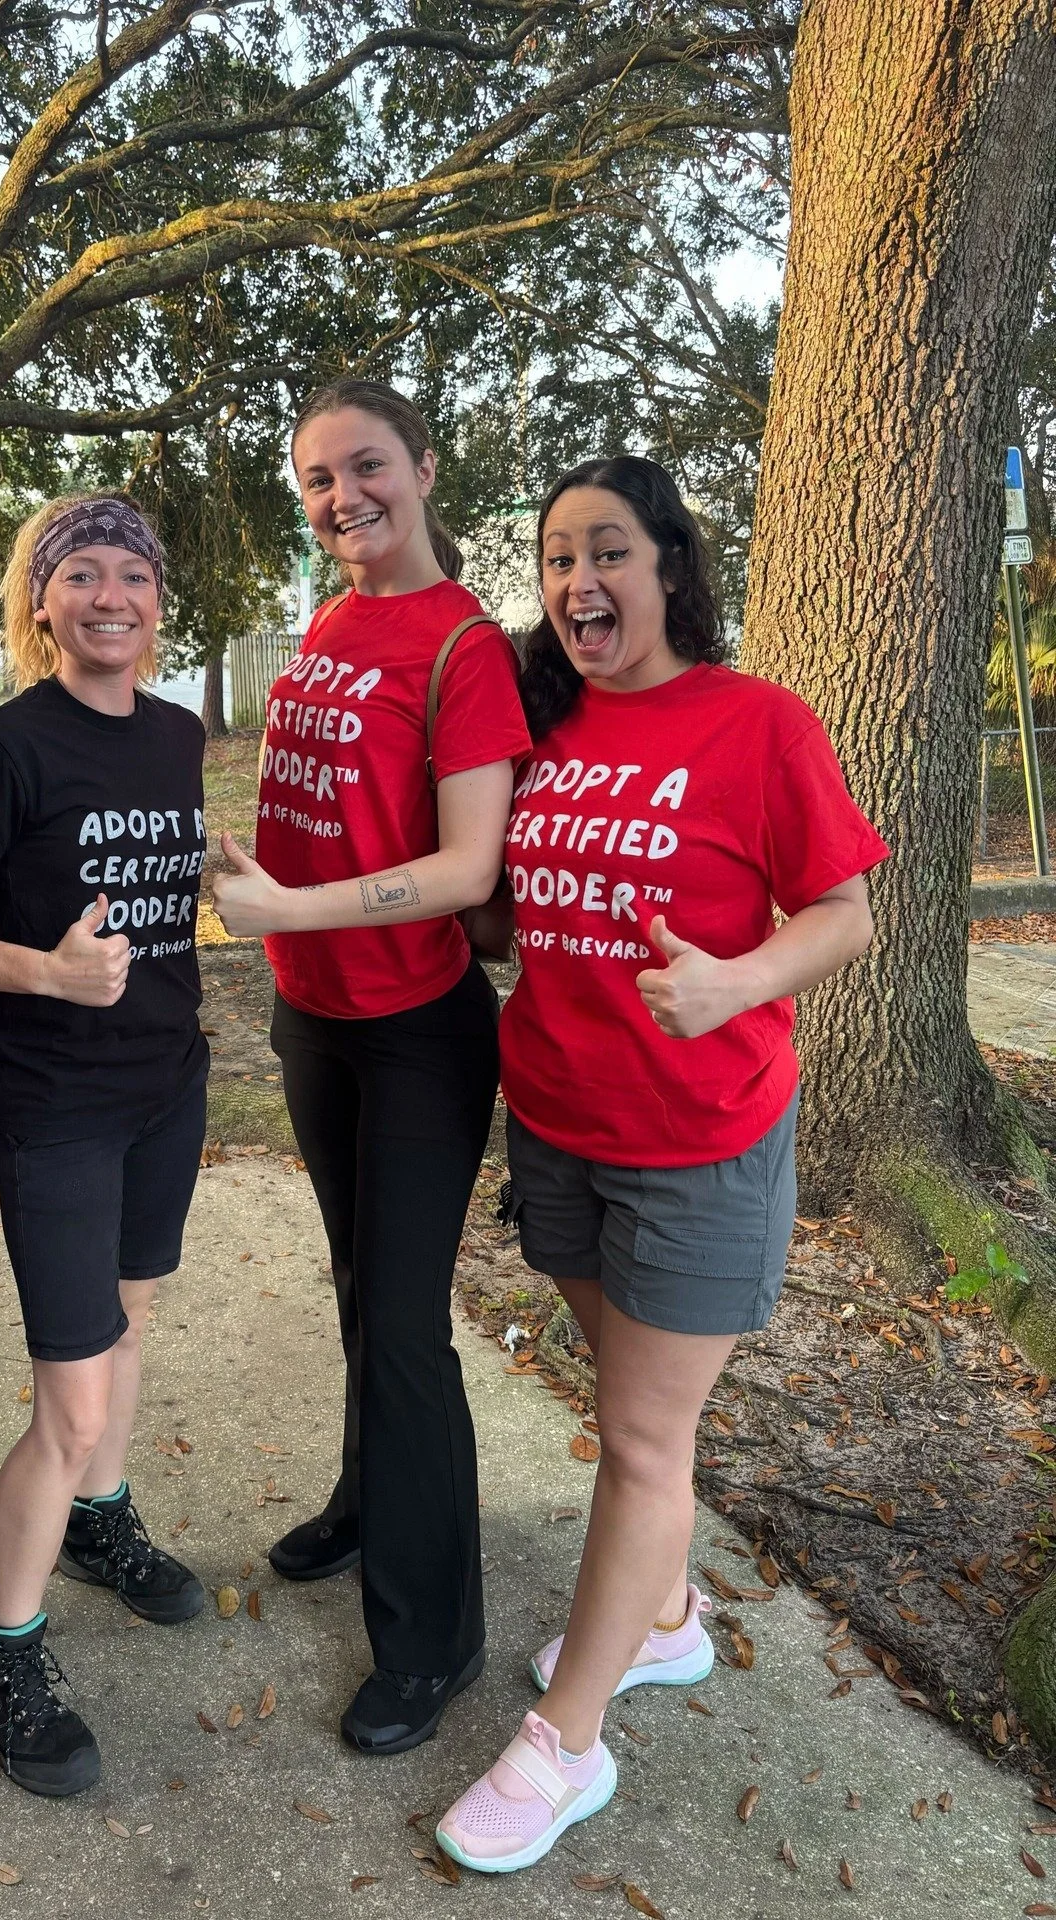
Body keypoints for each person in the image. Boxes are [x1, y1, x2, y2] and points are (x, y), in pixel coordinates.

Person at [433, 456, 889, 1873]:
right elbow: (508, 906)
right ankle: (670, 1616)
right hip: (559, 1119)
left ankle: (566, 1745)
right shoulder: (547, 729)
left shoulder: (759, 725)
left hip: (701, 1138)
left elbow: (847, 914)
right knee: (629, 1398)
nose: (580, 582)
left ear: (673, 569)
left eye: (610, 552)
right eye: (560, 557)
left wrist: (742, 978)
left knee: (641, 1440)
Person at [212, 377, 532, 1755]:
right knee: (357, 1289)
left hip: (414, 1031)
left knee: (406, 1325)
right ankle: (367, 1499)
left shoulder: (464, 647)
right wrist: (250, 874)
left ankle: (434, 1640)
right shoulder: (335, 618)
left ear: (424, 464)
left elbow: (468, 867)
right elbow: (329, 811)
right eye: (318, 480)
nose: (343, 498)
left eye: (366, 469)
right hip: (315, 1013)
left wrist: (290, 909)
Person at [0, 493, 209, 1797]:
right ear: (42, 601)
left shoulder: (181, 734)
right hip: (59, 1107)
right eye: (83, 574)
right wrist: (42, 972)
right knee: (69, 1405)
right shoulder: (1, 751)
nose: (112, 596)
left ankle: (99, 1524)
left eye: (134, 573)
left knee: (128, 1329)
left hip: (168, 1088)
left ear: (158, 602)